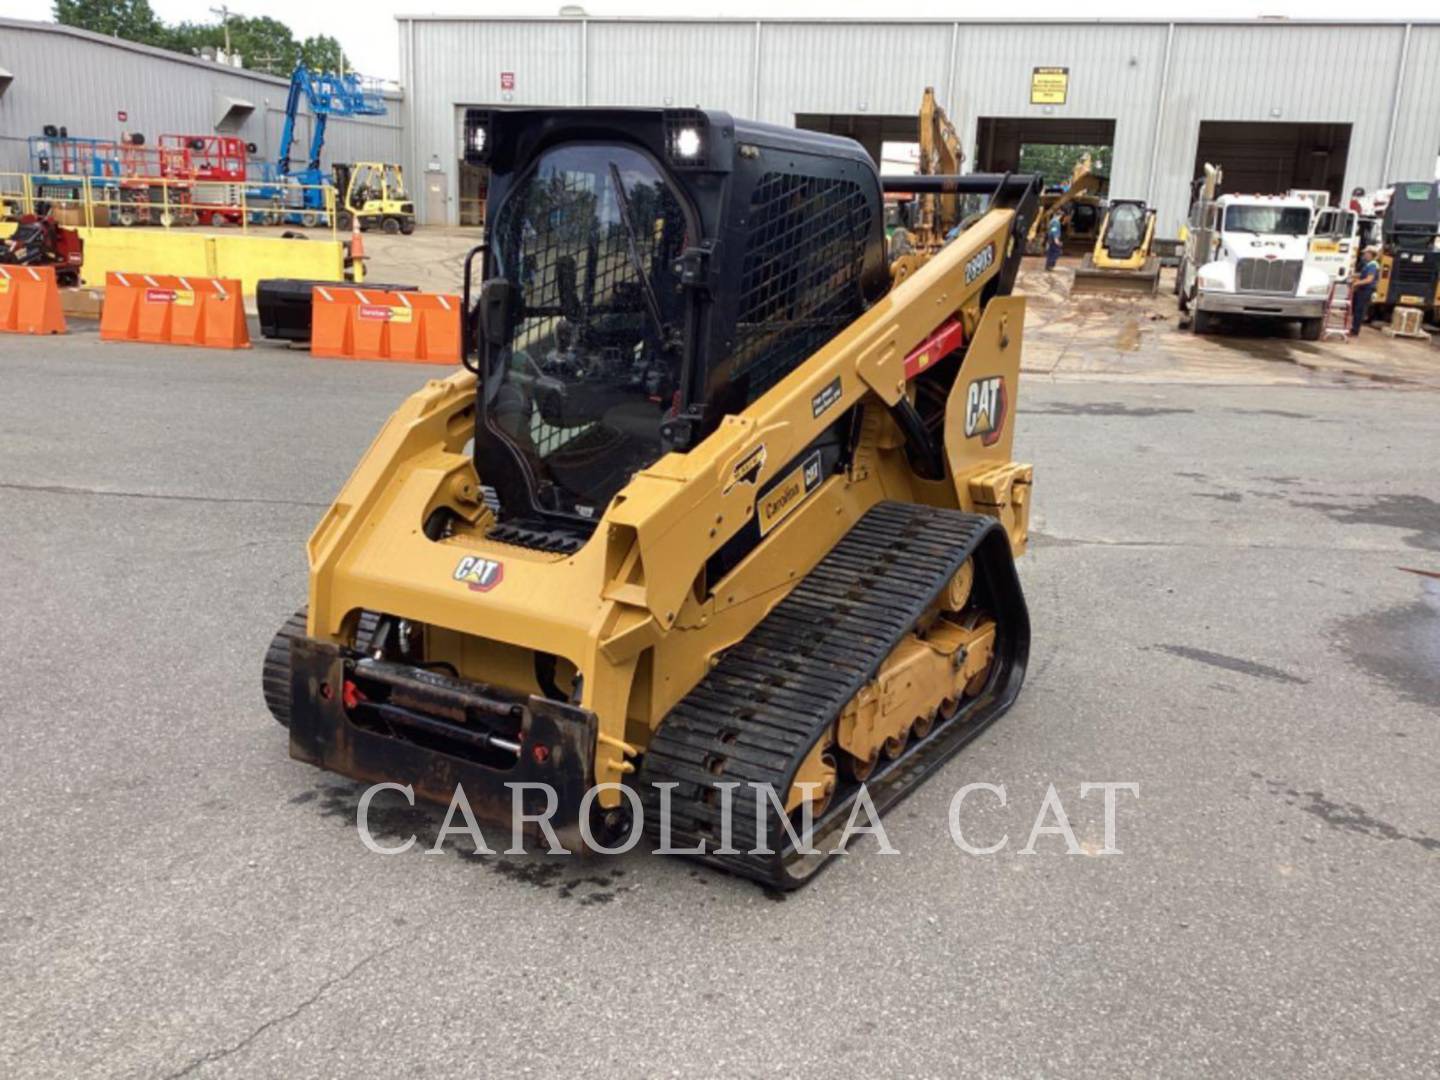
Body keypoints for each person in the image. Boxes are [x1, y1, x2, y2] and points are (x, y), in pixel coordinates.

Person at [1350, 245, 1380, 337]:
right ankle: (1353, 328)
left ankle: (1355, 330)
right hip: (1363, 289)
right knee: (1357, 309)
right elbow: (1363, 275)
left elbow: (1369, 279)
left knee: (1359, 310)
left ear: (1371, 254)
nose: (1364, 255)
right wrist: (1354, 276)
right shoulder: (1369, 264)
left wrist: (1356, 283)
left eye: (1366, 253)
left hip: (1366, 290)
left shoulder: (1373, 265)